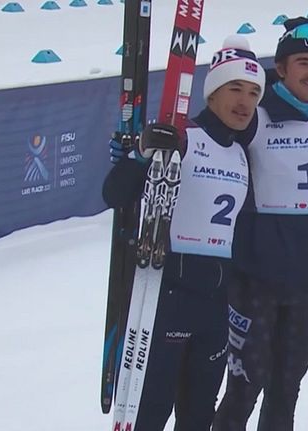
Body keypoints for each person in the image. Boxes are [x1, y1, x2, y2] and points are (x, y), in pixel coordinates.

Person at [102, 35, 265, 431]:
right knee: (151, 410)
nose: (245, 102)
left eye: (253, 93)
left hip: (216, 303)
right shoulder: (182, 138)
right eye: (235, 88)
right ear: (212, 93)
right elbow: (115, 194)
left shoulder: (241, 154)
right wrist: (140, 154)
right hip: (168, 295)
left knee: (198, 415)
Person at [213, 17, 308, 431]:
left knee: (286, 388)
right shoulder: (255, 114)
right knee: (245, 386)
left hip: (307, 278)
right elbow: (209, 136)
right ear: (281, 68)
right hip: (255, 277)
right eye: (303, 64)